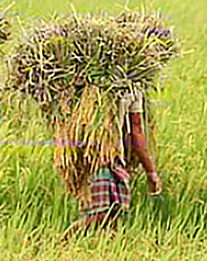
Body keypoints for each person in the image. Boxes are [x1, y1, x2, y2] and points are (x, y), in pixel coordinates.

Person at [62, 90, 164, 239]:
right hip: (92, 156)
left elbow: (137, 131)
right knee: (101, 214)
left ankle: (111, 252)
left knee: (114, 213)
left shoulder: (133, 89)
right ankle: (63, 242)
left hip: (114, 156)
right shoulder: (90, 84)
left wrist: (151, 172)